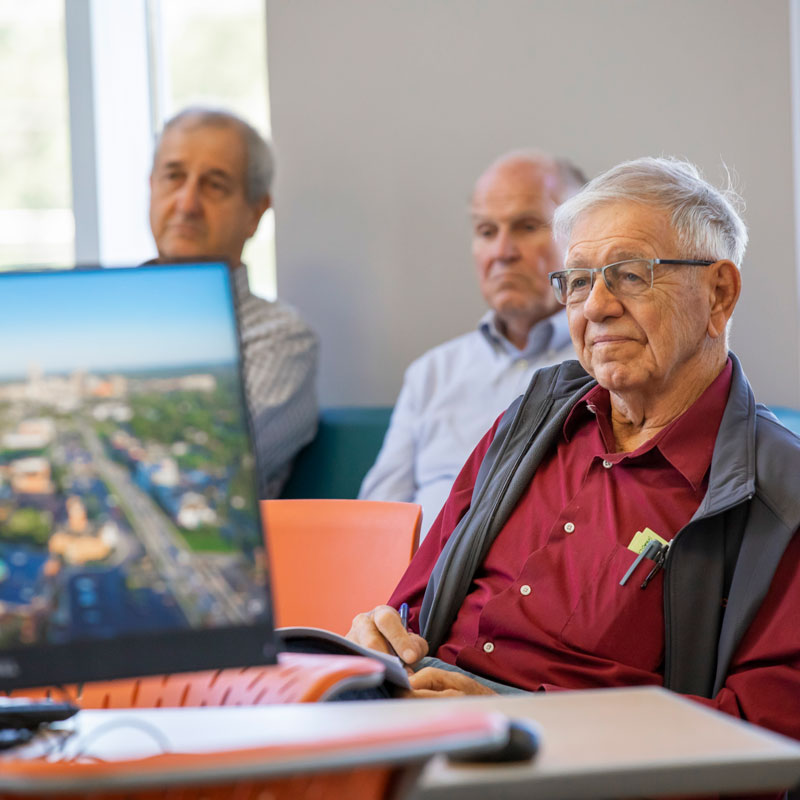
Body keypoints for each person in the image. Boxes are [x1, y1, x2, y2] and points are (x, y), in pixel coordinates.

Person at [348, 157, 800, 743]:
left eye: (630, 275)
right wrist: (380, 639)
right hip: (417, 727)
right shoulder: (531, 419)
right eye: (579, 281)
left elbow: (762, 741)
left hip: (576, 770)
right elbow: (412, 604)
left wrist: (519, 723)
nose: (595, 306)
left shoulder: (779, 493)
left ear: (719, 294)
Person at [359, 151, 587, 536]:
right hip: (419, 573)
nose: (502, 252)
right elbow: (374, 523)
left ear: (582, 239)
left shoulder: (607, 366)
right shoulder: (432, 373)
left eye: (527, 226)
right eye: (486, 231)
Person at [148, 107, 318, 498]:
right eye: (173, 177)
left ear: (255, 213)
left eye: (215, 186)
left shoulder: (280, 340)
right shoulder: (100, 312)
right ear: (151, 187)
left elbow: (207, 468)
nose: (186, 203)